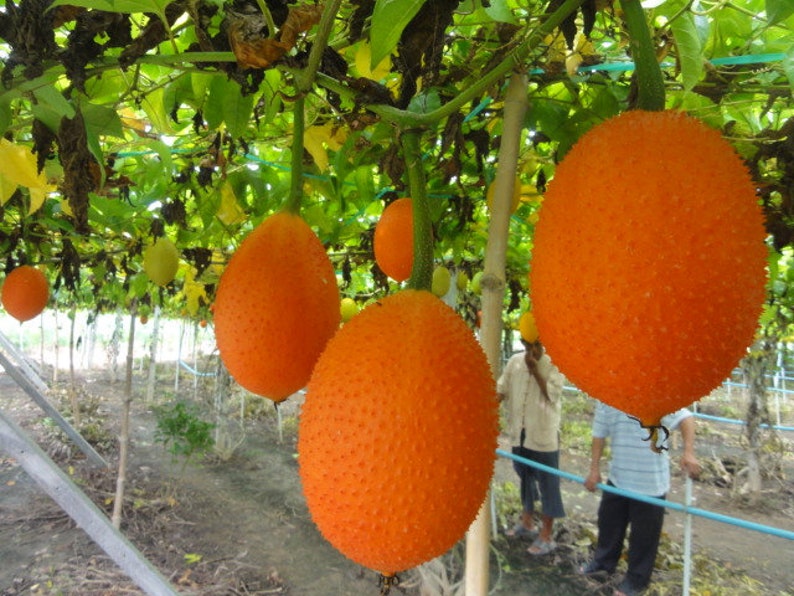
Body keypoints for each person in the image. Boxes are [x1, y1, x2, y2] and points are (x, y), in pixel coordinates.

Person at [581, 401, 701, 596]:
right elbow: (598, 433)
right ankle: (602, 564)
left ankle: (636, 580)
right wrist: (594, 469)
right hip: (618, 477)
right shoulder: (605, 397)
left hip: (650, 483)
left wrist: (689, 452)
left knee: (644, 537)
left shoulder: (656, 394)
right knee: (609, 524)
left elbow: (686, 418)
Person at [497, 337, 565, 556]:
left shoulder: (556, 364)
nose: (533, 350)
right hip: (520, 434)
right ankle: (527, 522)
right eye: (529, 346)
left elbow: (551, 394)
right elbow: (501, 389)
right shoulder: (515, 363)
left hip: (543, 436)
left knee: (548, 485)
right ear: (524, 343)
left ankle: (546, 535)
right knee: (525, 477)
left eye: (538, 346)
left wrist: (535, 371)